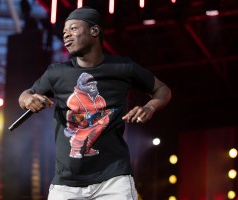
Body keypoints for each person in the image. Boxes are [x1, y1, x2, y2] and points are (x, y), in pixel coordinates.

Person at [18, 6, 171, 200]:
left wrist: (150, 107)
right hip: (66, 184)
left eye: (73, 28)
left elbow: (163, 90)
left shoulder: (122, 67)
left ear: (94, 31)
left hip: (113, 179)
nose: (66, 35)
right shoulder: (56, 72)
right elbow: (26, 94)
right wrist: (27, 100)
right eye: (64, 31)